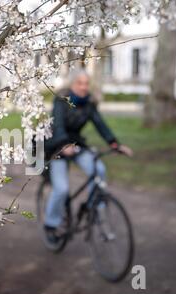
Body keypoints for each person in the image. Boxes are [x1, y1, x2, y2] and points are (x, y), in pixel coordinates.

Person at [43, 69, 133, 244]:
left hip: (77, 145)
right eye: (80, 83)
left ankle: (96, 209)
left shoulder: (89, 103)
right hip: (57, 147)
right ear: (72, 85)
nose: (84, 87)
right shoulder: (61, 100)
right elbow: (58, 125)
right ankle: (51, 225)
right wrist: (63, 144)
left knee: (99, 169)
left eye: (86, 83)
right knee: (61, 189)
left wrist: (115, 144)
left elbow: (100, 124)